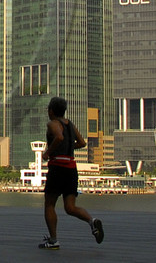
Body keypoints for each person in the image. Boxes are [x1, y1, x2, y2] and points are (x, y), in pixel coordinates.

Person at [39, 96, 103, 250]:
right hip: (71, 168)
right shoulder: (70, 124)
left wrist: (48, 153)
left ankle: (53, 240)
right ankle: (92, 221)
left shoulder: (52, 124)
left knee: (49, 205)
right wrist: (68, 148)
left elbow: (59, 137)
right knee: (70, 207)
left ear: (51, 111)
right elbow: (82, 142)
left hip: (57, 167)